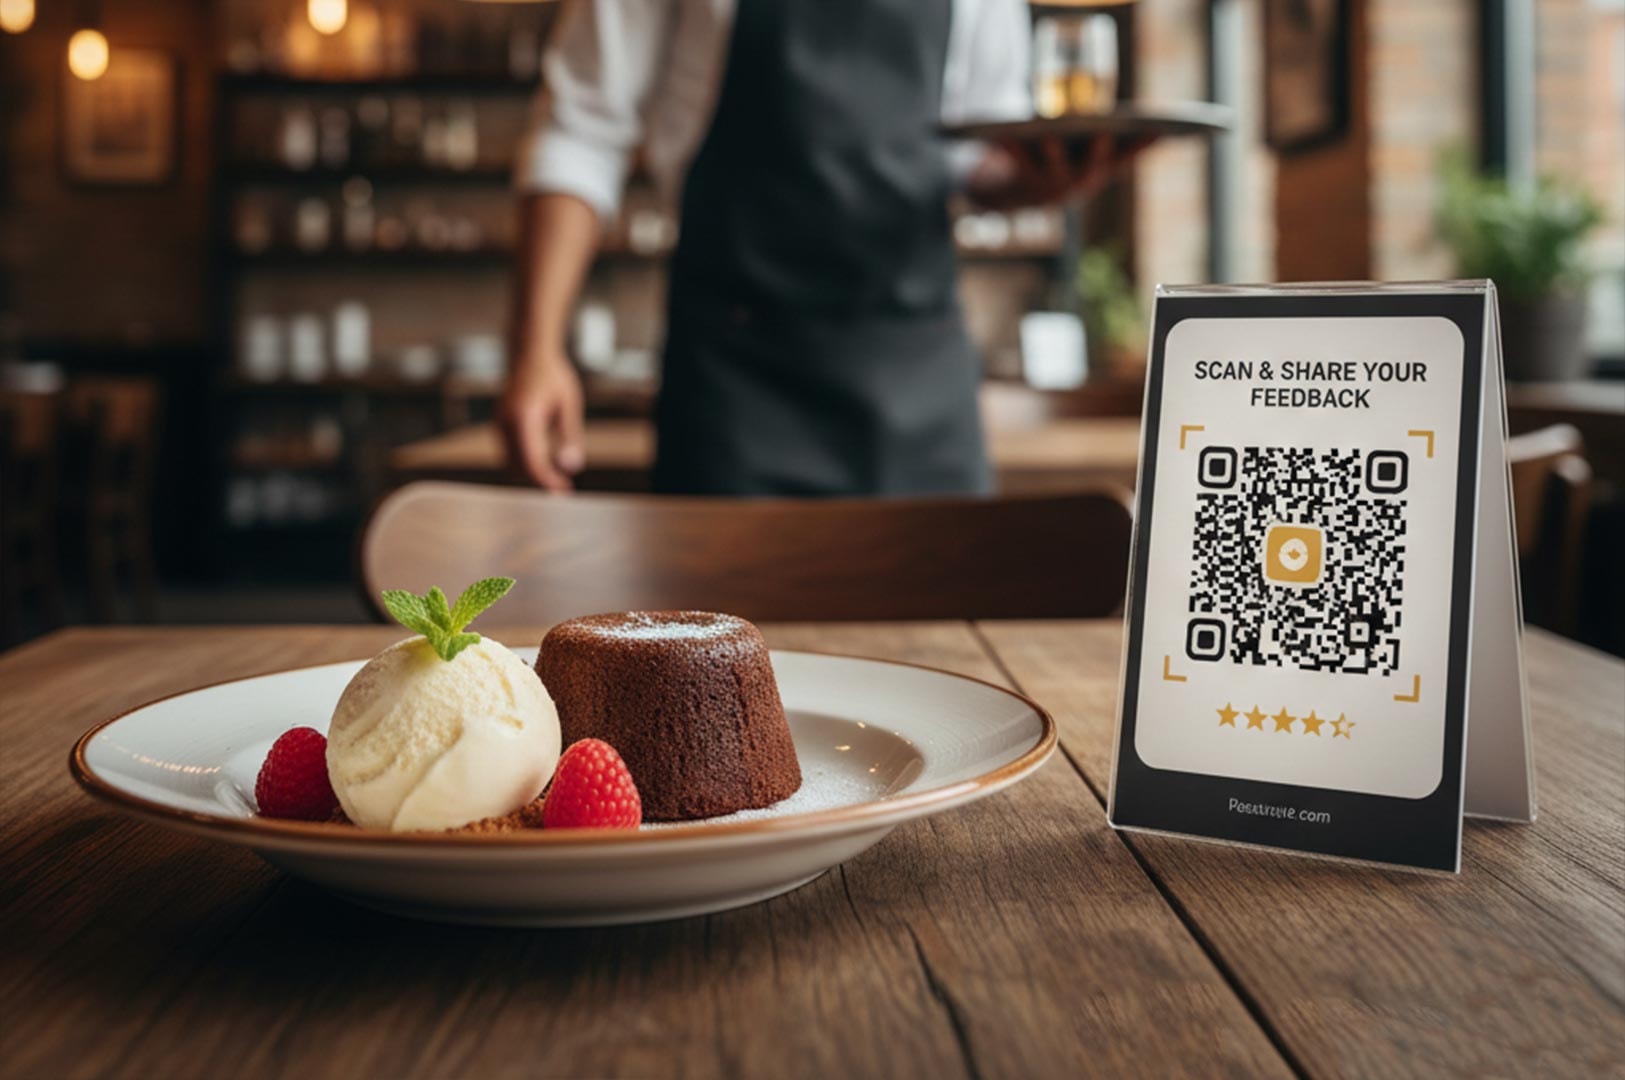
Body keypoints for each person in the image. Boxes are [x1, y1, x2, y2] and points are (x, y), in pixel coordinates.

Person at [503, 0, 1138, 496]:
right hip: (736, 382)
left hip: (921, 377)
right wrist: (536, 349)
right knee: (725, 654)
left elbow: (979, 151)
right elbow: (580, 133)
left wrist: (1048, 175)